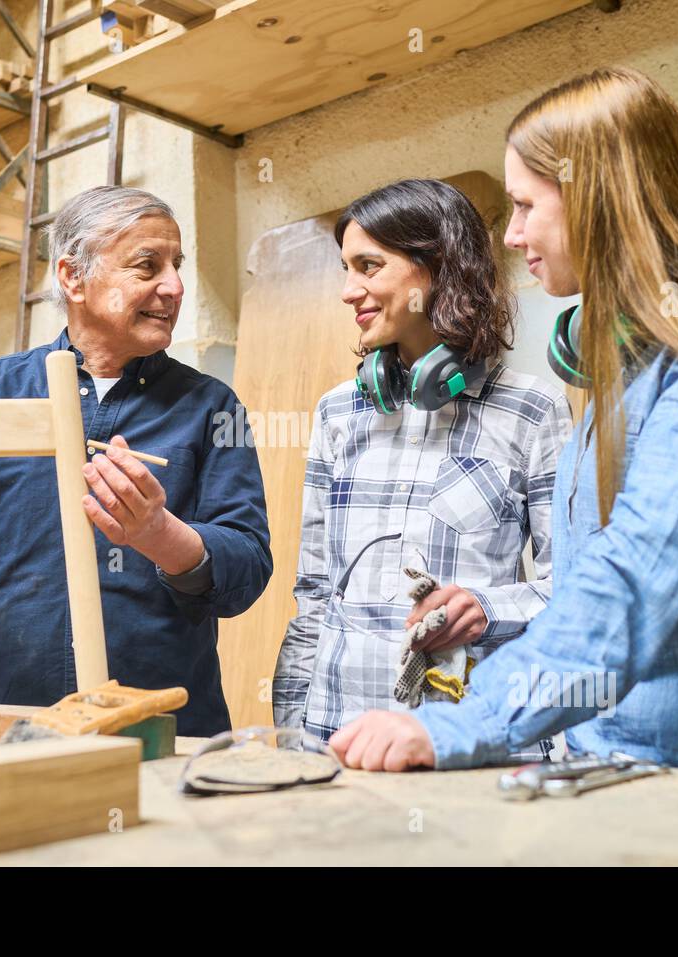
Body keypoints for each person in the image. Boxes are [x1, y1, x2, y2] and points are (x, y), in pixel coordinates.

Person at [329, 67, 678, 771]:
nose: (516, 234)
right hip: (638, 765)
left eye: (525, 207)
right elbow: (586, 591)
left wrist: (470, 722)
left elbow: (639, 573)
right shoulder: (621, 377)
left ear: (596, 196)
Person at [0, 186, 272, 735]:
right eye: (147, 266)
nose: (173, 287)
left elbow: (246, 567)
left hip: (163, 723)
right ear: (73, 277)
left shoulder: (211, 405)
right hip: (9, 718)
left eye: (176, 266)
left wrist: (157, 533)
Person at [273, 178, 571, 743]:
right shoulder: (338, 413)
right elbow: (313, 594)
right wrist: (292, 734)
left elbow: (572, 588)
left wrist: (483, 607)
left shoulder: (534, 410)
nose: (347, 290)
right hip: (335, 732)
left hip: (462, 736)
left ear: (436, 268)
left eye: (369, 266)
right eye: (345, 268)